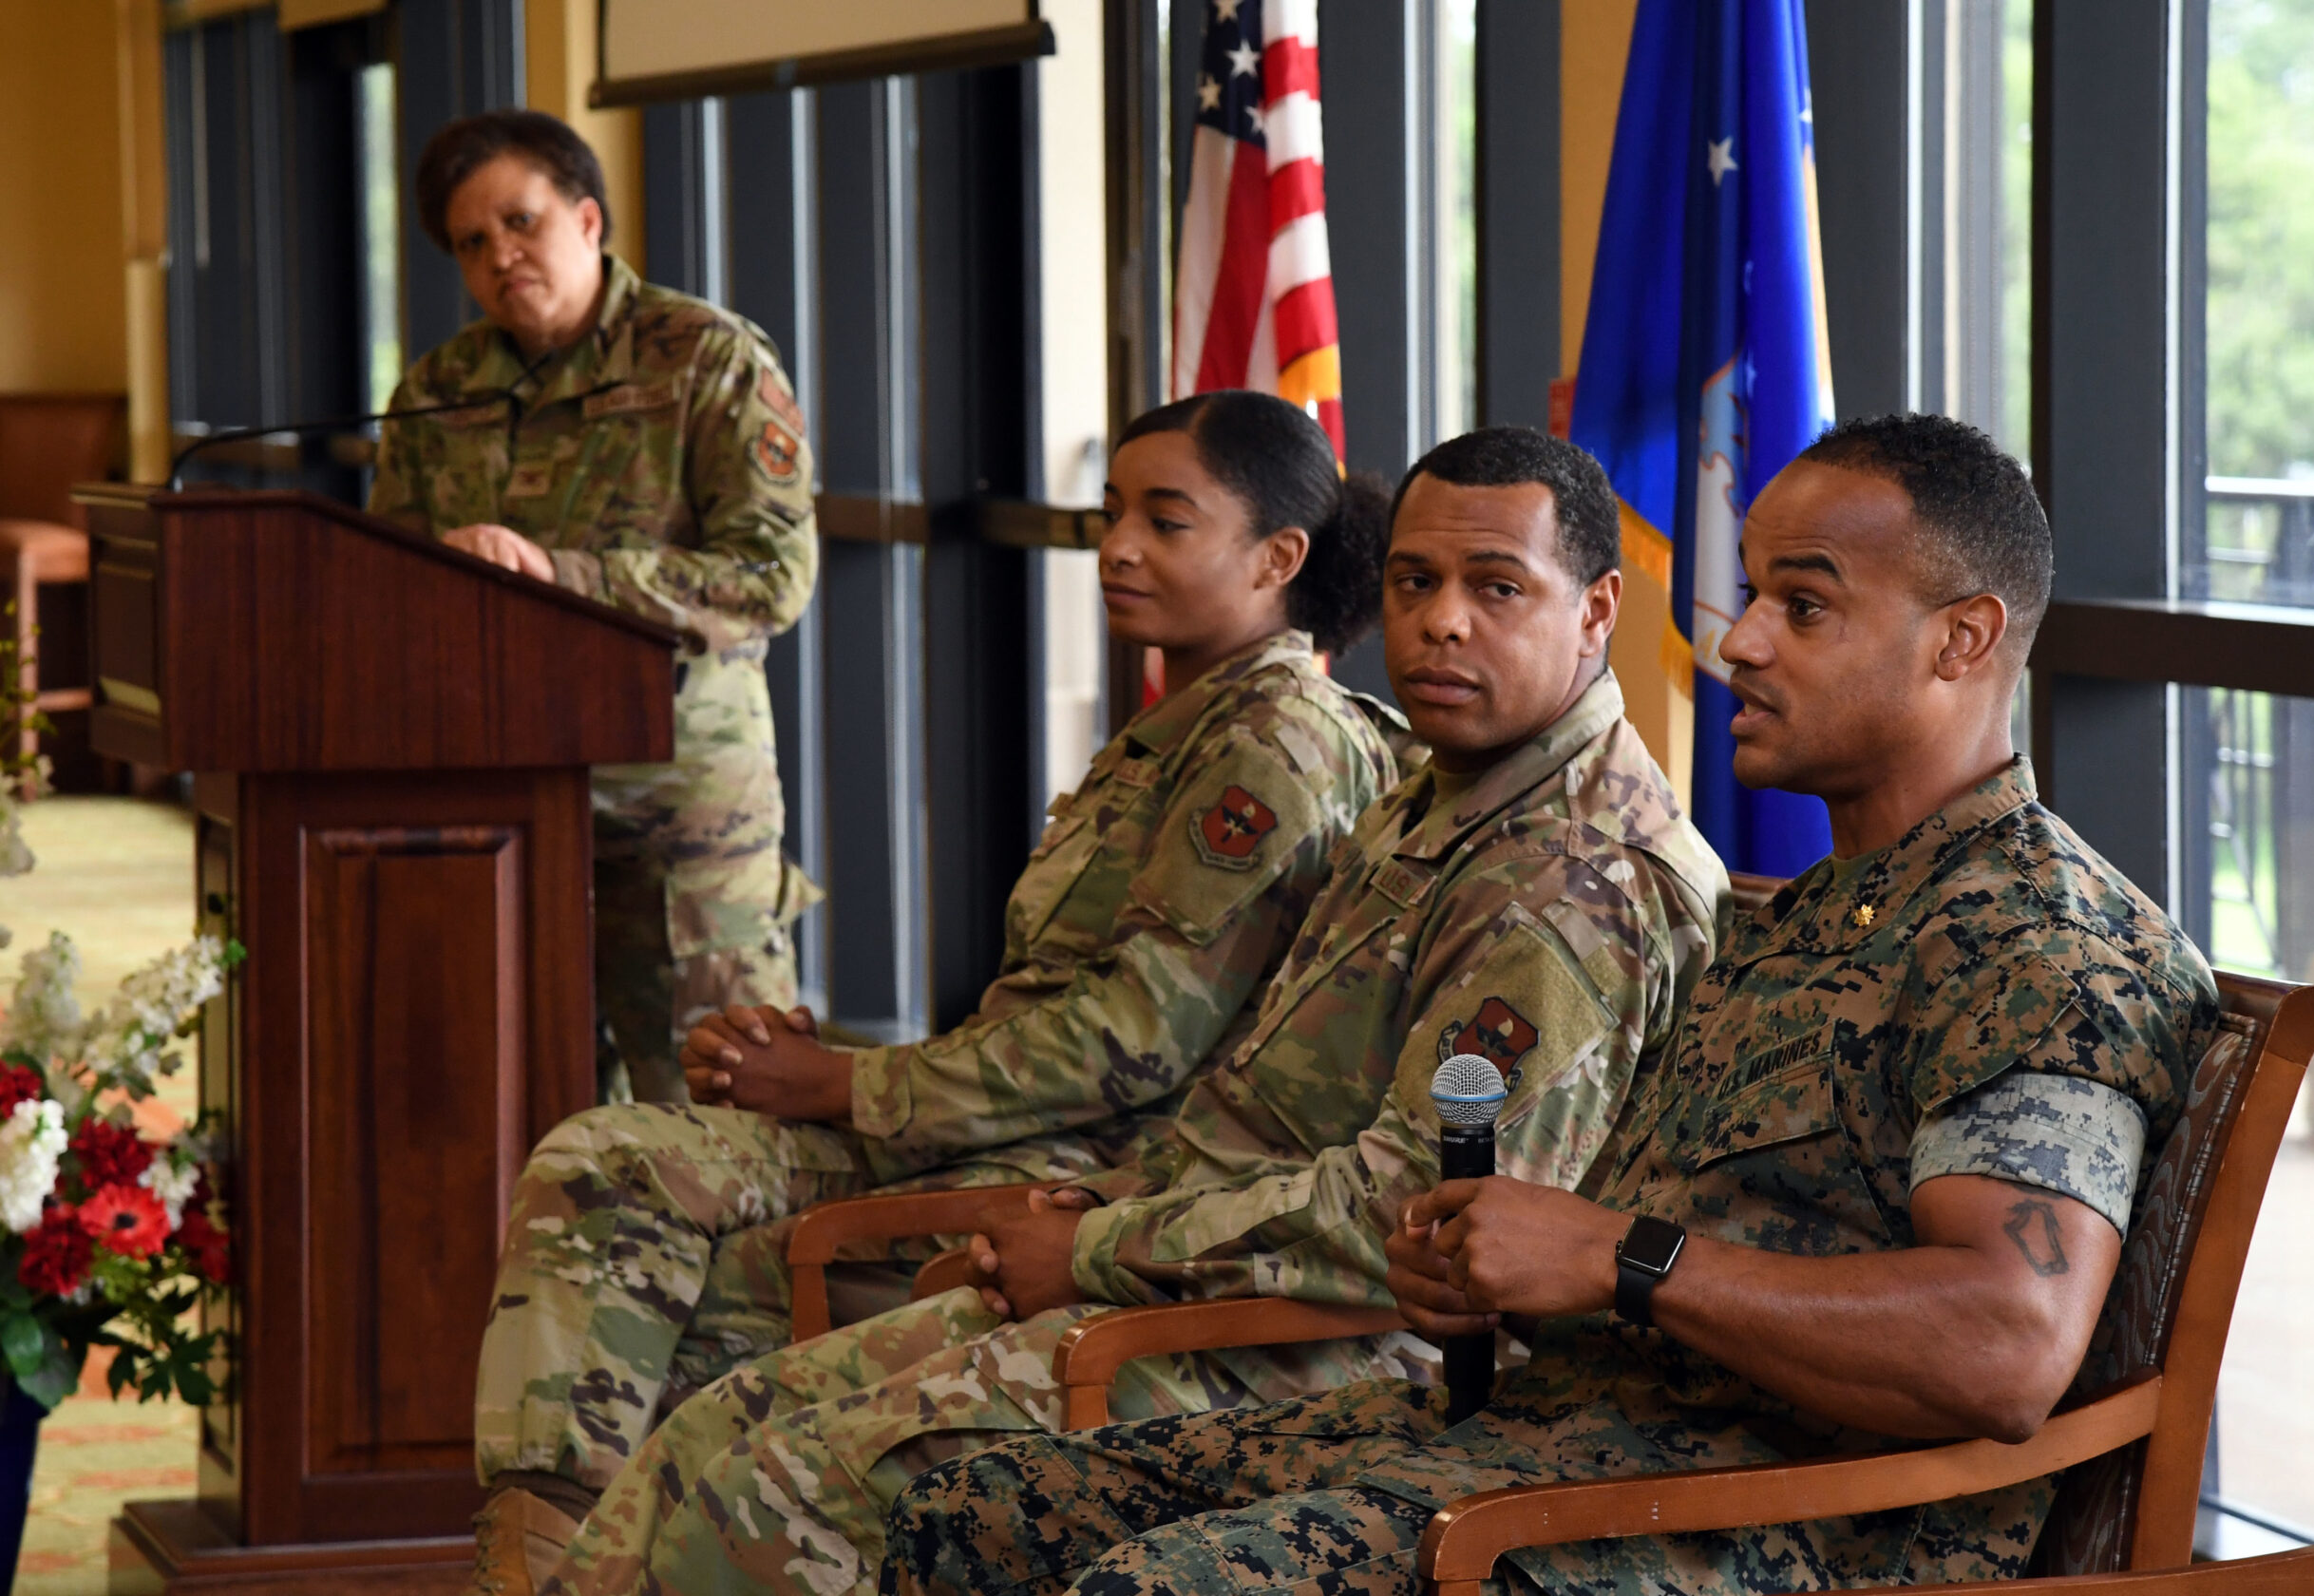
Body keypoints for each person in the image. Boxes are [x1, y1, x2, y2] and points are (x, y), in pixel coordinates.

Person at [881, 413, 2224, 1596]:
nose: (1737, 640)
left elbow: (2004, 1347)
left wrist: (1622, 1262)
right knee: (977, 1510)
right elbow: (1675, 1249)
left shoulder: (2033, 938)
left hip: (1778, 1527)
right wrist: (1498, 1271)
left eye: (1802, 608)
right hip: (1568, 1433)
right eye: (1751, 593)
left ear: (1964, 640)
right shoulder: (1815, 913)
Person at [532, 427, 1732, 1596]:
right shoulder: (1440, 795)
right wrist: (1089, 1213)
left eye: (1497, 587)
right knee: (728, 1420)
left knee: (781, 1484)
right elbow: (1256, 1107)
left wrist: (1097, 1251)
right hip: (1201, 1272)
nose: (1442, 620)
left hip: (1339, 1347)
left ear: (1595, 609)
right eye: (1416, 582)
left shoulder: (1570, 879)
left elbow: (1420, 1224)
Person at [464, 389, 1403, 1595]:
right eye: (1112, 512)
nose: (1116, 545)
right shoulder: (1189, 720)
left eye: (1166, 521)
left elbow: (1131, 1047)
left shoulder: (1274, 744)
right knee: (608, 1165)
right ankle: (539, 1564)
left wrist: (851, 1083)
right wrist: (816, 1074)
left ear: (1279, 559)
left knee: (655, 1233)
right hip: (995, 1121)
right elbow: (1054, 1006)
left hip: (1086, 1172)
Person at [368, 109, 817, 1106]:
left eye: (521, 222)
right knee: (535, 1103)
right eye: (472, 243)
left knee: (720, 1095)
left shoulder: (707, 359)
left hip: (680, 801)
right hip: (505, 803)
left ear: (587, 220)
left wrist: (556, 575)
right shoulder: (435, 393)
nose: (501, 256)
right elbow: (391, 592)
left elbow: (769, 579)